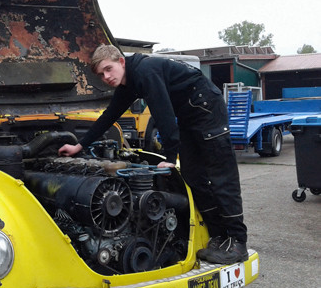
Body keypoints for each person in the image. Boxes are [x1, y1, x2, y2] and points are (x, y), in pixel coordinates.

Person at [58, 44, 248, 265]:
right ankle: (219, 237)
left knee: (221, 176)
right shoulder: (129, 83)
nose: (106, 77)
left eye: (108, 69)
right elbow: (109, 116)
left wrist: (169, 158)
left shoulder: (145, 71)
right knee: (193, 176)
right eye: (101, 74)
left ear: (121, 61)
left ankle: (237, 242)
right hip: (190, 116)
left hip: (207, 108)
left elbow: (164, 115)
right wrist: (79, 146)